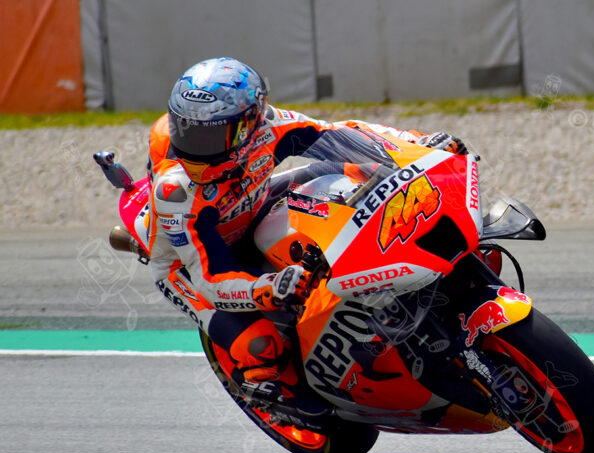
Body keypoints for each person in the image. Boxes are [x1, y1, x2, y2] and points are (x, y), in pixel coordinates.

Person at [148, 57, 466, 412]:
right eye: (185, 132)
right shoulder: (175, 191)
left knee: (358, 169)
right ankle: (262, 387)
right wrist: (268, 288)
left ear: (248, 124)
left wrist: (417, 146)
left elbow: (341, 134)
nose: (194, 149)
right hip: (188, 266)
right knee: (260, 347)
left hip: (253, 205)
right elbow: (211, 278)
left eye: (208, 136)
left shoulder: (269, 128)